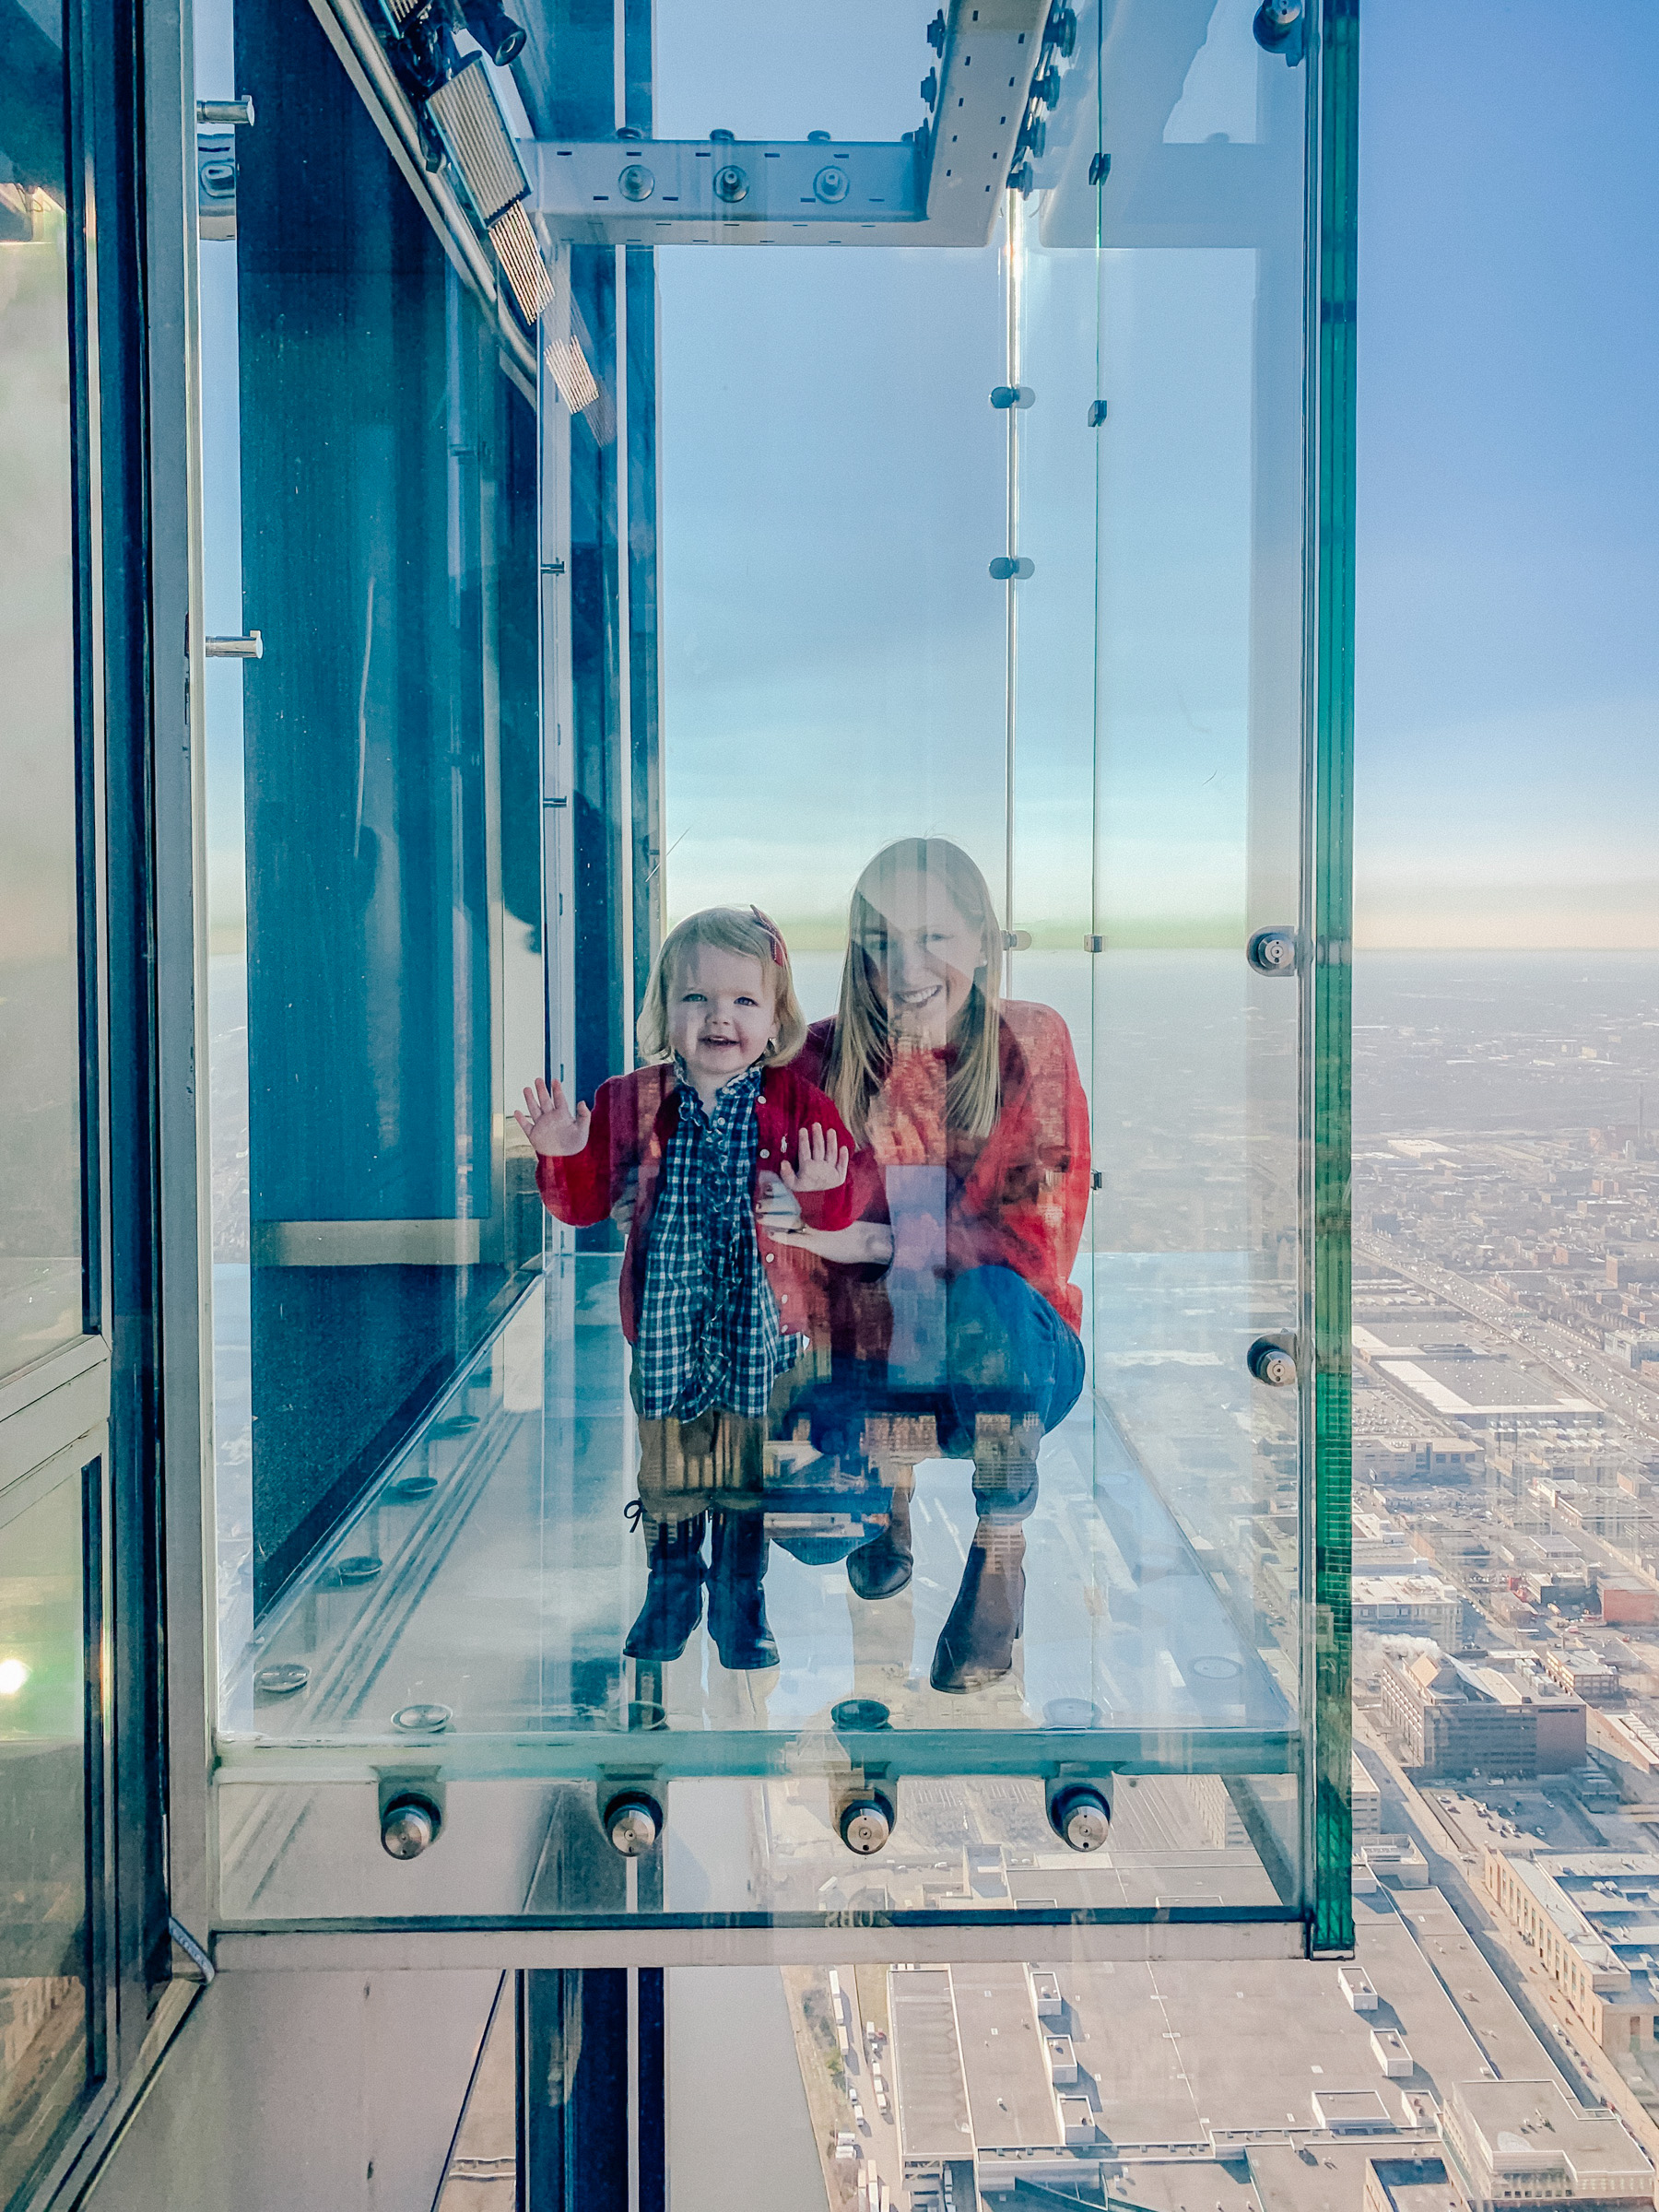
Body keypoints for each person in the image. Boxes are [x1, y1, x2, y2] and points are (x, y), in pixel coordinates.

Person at [763, 838, 1089, 1693]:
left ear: (983, 936)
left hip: (1006, 1373)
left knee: (988, 1296)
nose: (903, 969)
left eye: (933, 938)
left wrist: (866, 1240)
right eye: (878, 943)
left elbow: (1029, 1247)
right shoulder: (813, 1061)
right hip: (876, 1365)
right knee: (807, 1518)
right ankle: (887, 1487)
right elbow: (785, 1248)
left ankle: (1002, 1543)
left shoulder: (1031, 1042)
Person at [519, 905, 856, 1671]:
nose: (719, 1018)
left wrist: (816, 1197)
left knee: (744, 1463)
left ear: (775, 1021)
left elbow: (838, 1200)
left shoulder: (798, 1102)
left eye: (743, 1001)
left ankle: (741, 1596)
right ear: (664, 1013)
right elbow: (580, 1206)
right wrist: (561, 1156)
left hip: (757, 1326)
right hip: (670, 1325)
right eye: (695, 999)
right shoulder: (627, 1100)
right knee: (670, 1463)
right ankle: (671, 1583)